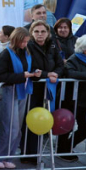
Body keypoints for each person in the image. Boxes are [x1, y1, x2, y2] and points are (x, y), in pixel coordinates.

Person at [0, 27, 39, 169]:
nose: (25, 44)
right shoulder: (6, 54)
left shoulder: (27, 53)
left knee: (16, 128)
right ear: (16, 40)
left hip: (21, 91)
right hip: (9, 91)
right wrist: (22, 76)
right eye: (23, 42)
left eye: (26, 42)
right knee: (8, 127)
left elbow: (29, 69)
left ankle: (8, 156)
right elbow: (0, 76)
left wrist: (36, 73)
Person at [23, 21, 64, 160]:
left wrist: (56, 74)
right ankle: (28, 153)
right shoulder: (28, 46)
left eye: (43, 32)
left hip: (49, 88)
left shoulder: (52, 45)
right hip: (33, 88)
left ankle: (36, 153)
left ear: (48, 33)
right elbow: (30, 67)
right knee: (30, 119)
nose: (40, 35)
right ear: (32, 33)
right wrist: (47, 75)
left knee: (43, 119)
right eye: (36, 32)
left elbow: (60, 64)